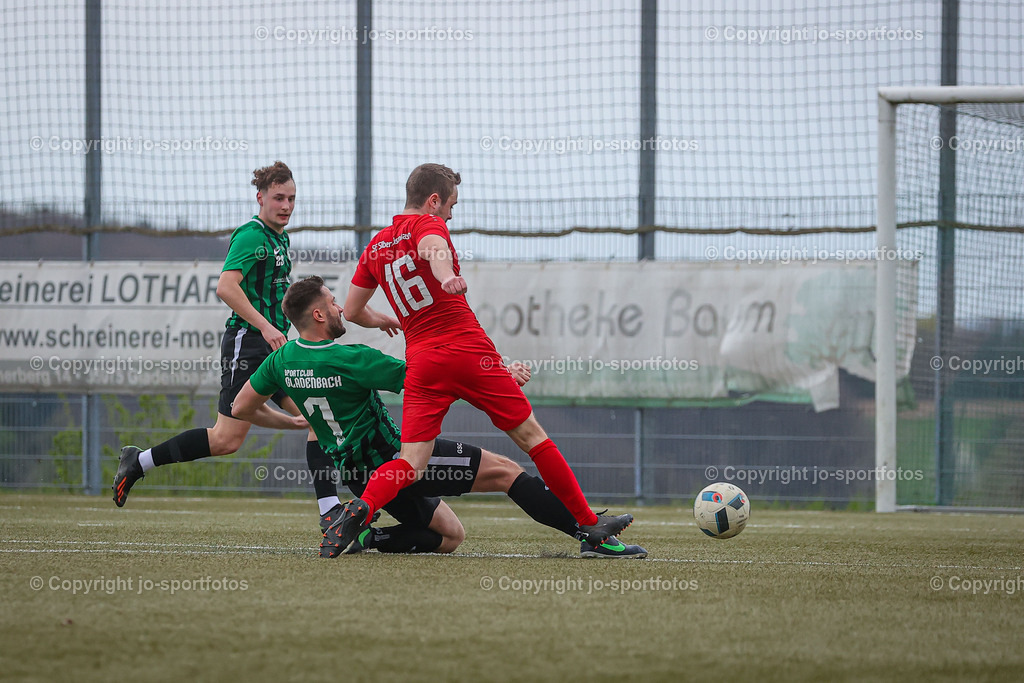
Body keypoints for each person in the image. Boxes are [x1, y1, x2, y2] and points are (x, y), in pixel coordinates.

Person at [331, 163, 634, 555]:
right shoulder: (428, 224)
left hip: (422, 359)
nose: (452, 215)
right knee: (532, 438)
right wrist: (444, 277)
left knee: (410, 461)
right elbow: (433, 249)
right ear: (434, 200)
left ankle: (362, 508)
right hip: (467, 348)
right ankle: (590, 524)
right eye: (452, 205)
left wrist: (385, 319)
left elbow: (352, 311)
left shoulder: (376, 246)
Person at [232, 276, 647, 559]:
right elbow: (435, 378)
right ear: (319, 315)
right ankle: (591, 536)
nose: (341, 307)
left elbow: (241, 408)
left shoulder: (281, 360)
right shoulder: (351, 358)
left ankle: (366, 534)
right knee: (506, 471)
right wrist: (499, 374)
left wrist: (290, 421)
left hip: (358, 478)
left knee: (451, 537)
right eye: (333, 303)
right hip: (396, 462)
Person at [111, 162, 368, 525]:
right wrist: (265, 326)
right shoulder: (251, 235)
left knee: (319, 417)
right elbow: (225, 286)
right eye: (279, 198)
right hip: (247, 344)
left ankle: (331, 513)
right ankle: (139, 462)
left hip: (276, 349)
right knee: (226, 440)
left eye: (292, 198)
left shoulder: (280, 238)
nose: (286, 205)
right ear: (260, 197)